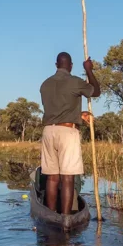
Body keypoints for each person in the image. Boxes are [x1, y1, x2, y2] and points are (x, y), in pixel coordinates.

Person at [39, 51, 101, 214]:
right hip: (67, 133)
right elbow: (95, 92)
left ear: (56, 65)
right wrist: (88, 70)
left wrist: (78, 114)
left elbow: (59, 107)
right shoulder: (75, 82)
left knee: (52, 178)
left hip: (48, 132)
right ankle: (65, 218)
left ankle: (51, 216)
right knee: (68, 178)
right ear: (71, 66)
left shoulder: (45, 84)